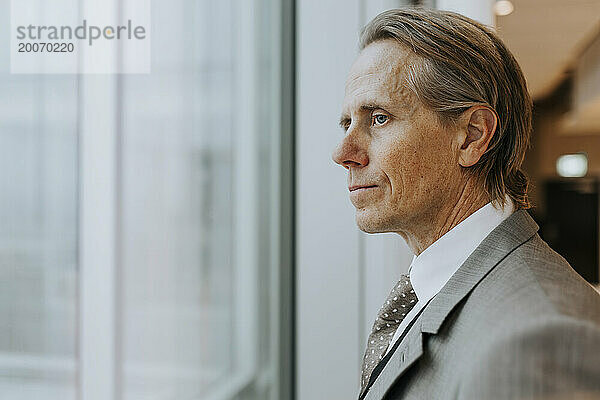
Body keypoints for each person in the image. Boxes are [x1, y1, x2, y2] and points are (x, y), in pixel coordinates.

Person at [332, 8, 600, 400]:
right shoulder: (440, 284)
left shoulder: (538, 339)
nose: (343, 152)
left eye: (378, 118)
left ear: (472, 136)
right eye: (346, 123)